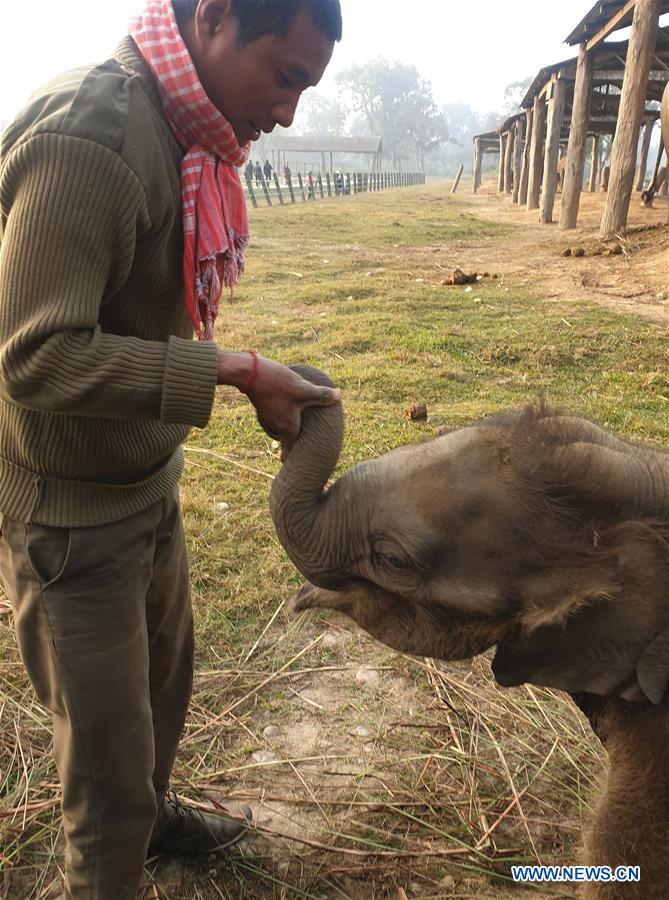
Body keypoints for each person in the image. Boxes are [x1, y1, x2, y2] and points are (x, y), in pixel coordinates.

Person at [0, 1, 342, 898]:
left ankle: (152, 821)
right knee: (105, 776)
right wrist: (229, 370)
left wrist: (234, 374)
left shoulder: (183, 134)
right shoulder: (94, 136)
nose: (287, 113)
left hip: (140, 481)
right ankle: (116, 854)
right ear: (215, 17)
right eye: (284, 78)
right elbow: (37, 355)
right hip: (69, 514)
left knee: (160, 698)